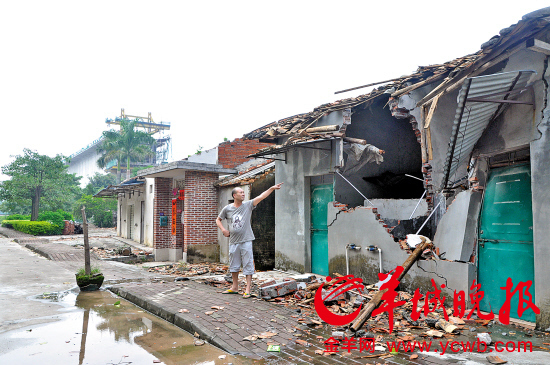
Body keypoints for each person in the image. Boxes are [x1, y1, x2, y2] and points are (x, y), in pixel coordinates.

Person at [216, 182, 283, 298]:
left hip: (246, 240)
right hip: (233, 241)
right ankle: (235, 287)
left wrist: (271, 188)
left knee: (248, 264)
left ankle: (248, 289)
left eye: (243, 192)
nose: (243, 194)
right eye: (240, 193)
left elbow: (261, 197)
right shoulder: (227, 209)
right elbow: (218, 219)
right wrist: (223, 230)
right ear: (234, 196)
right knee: (234, 265)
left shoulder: (248, 205)